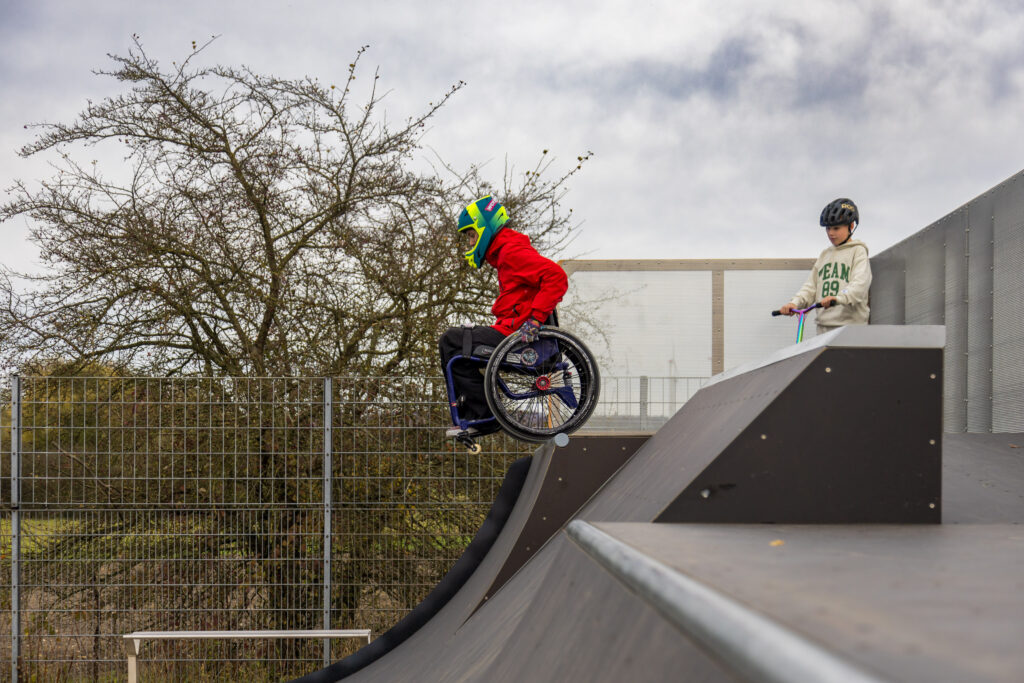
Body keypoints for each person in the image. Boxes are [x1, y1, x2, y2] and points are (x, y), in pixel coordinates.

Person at [439, 195, 568, 437]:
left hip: (522, 337)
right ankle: (481, 413)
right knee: (459, 349)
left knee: (452, 341)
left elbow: (556, 277)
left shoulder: (511, 251)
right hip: (512, 332)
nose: (470, 241)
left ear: (484, 227)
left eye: (471, 234)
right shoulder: (505, 253)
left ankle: (482, 415)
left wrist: (535, 321)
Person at [778, 197, 872, 334]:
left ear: (851, 226)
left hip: (850, 330)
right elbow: (810, 288)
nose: (831, 233)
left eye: (836, 228)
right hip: (823, 330)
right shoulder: (824, 256)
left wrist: (838, 298)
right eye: (828, 228)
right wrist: (794, 303)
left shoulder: (858, 251)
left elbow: (859, 285)